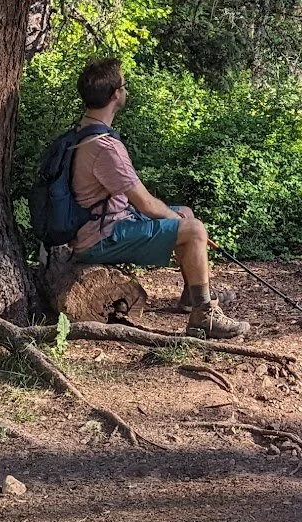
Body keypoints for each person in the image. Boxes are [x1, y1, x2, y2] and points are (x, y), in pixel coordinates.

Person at [68, 57, 250, 339]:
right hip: (100, 237)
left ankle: (192, 296)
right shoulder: (105, 147)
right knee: (194, 229)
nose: (126, 91)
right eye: (124, 86)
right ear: (116, 94)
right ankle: (205, 316)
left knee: (186, 213)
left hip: (98, 225)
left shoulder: (83, 132)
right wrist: (184, 226)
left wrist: (179, 217)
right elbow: (146, 204)